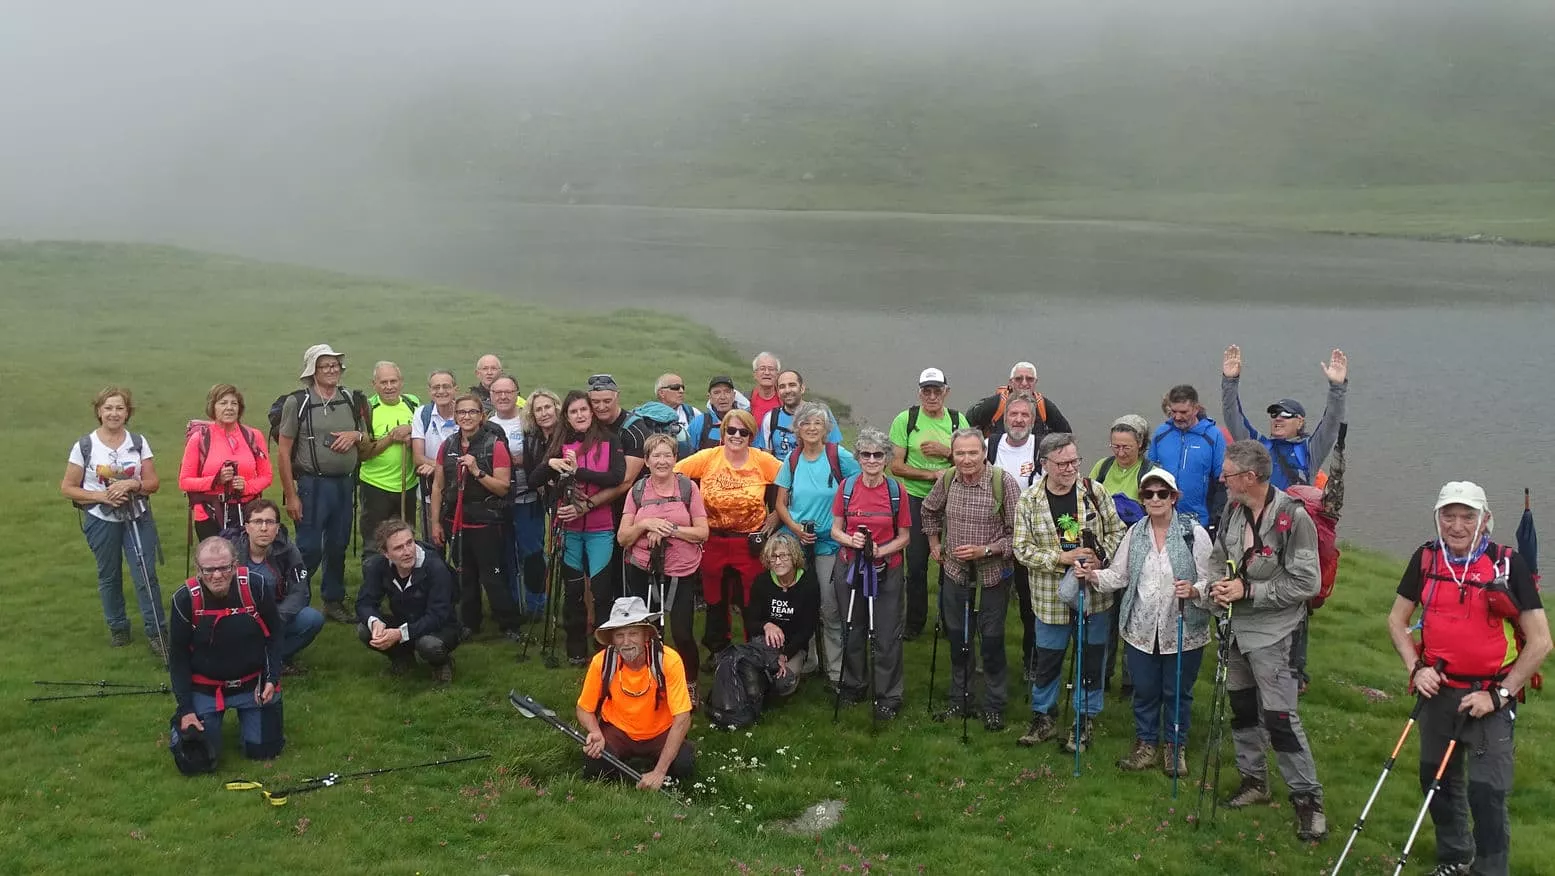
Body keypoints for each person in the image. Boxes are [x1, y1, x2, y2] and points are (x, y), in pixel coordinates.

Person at [1385, 482, 1551, 876]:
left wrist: (1499, 696)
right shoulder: (1425, 558)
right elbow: (1396, 620)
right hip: (1438, 689)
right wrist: (1415, 668)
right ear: (1438, 517)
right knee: (1436, 781)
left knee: (1487, 793)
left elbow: (1541, 642)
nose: (1457, 526)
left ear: (1485, 520)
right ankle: (1454, 859)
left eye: (1467, 516)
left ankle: (1490, 871)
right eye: (1449, 515)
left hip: (1490, 696)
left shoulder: (1508, 565)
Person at [1208, 440, 1327, 842]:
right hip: (1235, 631)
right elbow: (1219, 555)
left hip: (1276, 635)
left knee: (1280, 718)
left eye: (1227, 475)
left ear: (1250, 477)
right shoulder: (1232, 509)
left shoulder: (1294, 520)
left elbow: (1308, 583)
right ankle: (1253, 782)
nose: (1221, 480)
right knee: (1242, 709)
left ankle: (1309, 803)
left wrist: (1249, 592)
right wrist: (1215, 587)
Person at [1080, 469, 1212, 778]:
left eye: (1162, 493)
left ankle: (1174, 747)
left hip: (1182, 628)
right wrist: (1092, 576)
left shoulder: (1195, 534)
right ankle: (1146, 744)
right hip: (1139, 629)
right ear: (1142, 499)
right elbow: (1120, 575)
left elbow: (1212, 579)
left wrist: (1194, 590)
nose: (1155, 499)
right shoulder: (1135, 533)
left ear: (1174, 497)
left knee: (1177, 691)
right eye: (1148, 494)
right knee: (1145, 690)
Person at [1013, 433, 1127, 752]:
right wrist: (1058, 558)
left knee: (1091, 659)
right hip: (1050, 599)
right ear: (1044, 464)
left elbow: (1118, 530)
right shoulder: (1030, 500)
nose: (1069, 469)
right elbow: (1021, 549)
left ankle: (1084, 720)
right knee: (1048, 659)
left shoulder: (1094, 491)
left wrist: (1100, 557)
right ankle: (1043, 717)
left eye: (1074, 462)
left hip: (1093, 595)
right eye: (1062, 463)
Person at [923, 429, 1022, 731]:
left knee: (991, 641)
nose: (966, 459)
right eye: (960, 453)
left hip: (991, 576)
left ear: (984, 453)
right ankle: (960, 700)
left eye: (973, 453)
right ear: (952, 454)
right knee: (958, 639)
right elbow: (928, 511)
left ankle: (993, 705)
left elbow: (1018, 535)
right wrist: (935, 545)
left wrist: (987, 550)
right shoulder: (948, 479)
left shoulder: (1002, 482)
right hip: (954, 573)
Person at [61, 386, 168, 659]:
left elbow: (153, 482)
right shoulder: (85, 446)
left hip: (137, 516)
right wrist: (102, 496)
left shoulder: (137, 441)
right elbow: (68, 487)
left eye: (119, 408)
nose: (114, 413)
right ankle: (118, 627)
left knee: (145, 573)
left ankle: (157, 632)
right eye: (108, 408)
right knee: (109, 575)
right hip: (100, 519)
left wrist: (134, 483)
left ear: (127, 412)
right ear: (99, 411)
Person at [675, 409, 781, 668]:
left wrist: (776, 516)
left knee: (750, 596)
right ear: (723, 434)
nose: (736, 436)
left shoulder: (763, 461)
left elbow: (790, 485)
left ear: (751, 435)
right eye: (731, 431)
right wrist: (688, 513)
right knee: (715, 597)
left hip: (749, 541)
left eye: (743, 432)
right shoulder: (708, 457)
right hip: (714, 538)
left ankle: (752, 647)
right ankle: (717, 648)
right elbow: (675, 474)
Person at [167, 537, 283, 772]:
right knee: (199, 763)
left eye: (224, 568)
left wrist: (271, 679)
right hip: (207, 688)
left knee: (264, 751)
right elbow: (178, 656)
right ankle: (183, 720)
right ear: (198, 569)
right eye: (209, 569)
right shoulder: (184, 599)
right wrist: (186, 708)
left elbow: (275, 634)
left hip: (253, 686)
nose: (217, 575)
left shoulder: (256, 586)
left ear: (235, 565)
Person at [532, 389, 626, 664]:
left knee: (601, 593)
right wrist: (551, 463)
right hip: (569, 528)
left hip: (600, 528)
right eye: (573, 412)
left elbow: (616, 477)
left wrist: (577, 472)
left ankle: (604, 651)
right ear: (567, 416)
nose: (580, 415)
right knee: (572, 591)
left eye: (584, 409)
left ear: (591, 411)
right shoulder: (561, 441)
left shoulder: (609, 439)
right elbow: (535, 477)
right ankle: (575, 650)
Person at [276, 344, 366, 624]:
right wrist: (291, 496)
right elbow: (283, 451)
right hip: (311, 485)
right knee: (309, 547)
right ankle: (291, 597)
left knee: (338, 544)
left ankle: (333, 600)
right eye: (325, 365)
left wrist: (356, 436)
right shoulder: (298, 402)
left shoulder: (350, 398)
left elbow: (366, 436)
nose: (332, 370)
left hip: (345, 484)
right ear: (312, 371)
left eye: (335, 365)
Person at [618, 433, 710, 701]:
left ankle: (689, 682)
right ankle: (649, 681)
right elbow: (623, 538)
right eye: (655, 455)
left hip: (681, 570)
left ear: (675, 458)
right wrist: (646, 525)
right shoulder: (637, 491)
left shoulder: (687, 488)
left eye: (667, 455)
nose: (661, 461)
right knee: (648, 630)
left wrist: (669, 529)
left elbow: (703, 532)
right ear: (646, 461)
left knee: (681, 632)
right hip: (642, 569)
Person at [830, 428, 913, 721]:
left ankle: (888, 694)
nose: (872, 459)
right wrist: (850, 540)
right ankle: (854, 685)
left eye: (878, 454)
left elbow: (904, 537)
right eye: (866, 454)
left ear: (887, 458)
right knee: (852, 628)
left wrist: (882, 551)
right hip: (851, 567)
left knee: (886, 633)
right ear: (859, 457)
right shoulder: (847, 487)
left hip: (885, 570)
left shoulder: (896, 491)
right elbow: (835, 529)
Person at [776, 402, 861, 683]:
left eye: (817, 423)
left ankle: (836, 672)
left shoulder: (840, 456)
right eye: (806, 423)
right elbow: (780, 503)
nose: (812, 428)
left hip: (830, 543)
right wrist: (796, 529)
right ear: (797, 428)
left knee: (829, 607)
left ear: (827, 428)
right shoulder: (791, 460)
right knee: (799, 603)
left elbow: (858, 489)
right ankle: (809, 660)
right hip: (796, 542)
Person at [577, 596, 696, 790]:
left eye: (633, 633)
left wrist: (659, 772)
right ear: (612, 639)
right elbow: (583, 709)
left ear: (646, 635)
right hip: (617, 731)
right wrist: (595, 732)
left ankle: (658, 764)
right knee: (594, 764)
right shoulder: (602, 662)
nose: (626, 642)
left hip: (660, 732)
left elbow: (682, 718)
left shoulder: (669, 660)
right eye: (619, 635)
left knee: (684, 765)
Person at [428, 394, 520, 642]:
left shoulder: (495, 445)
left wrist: (477, 471)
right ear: (455, 416)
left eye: (472, 412)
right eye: (461, 412)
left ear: (482, 416)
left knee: (493, 575)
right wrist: (435, 523)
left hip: (486, 521)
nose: (466, 417)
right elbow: (437, 486)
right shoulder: (447, 446)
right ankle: (469, 623)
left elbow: (503, 488)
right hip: (455, 521)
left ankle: (509, 624)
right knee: (464, 574)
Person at [889, 367, 966, 640]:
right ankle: (914, 622)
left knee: (953, 560)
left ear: (946, 392)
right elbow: (896, 466)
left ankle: (950, 620)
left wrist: (946, 453)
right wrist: (929, 475)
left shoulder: (958, 421)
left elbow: (970, 459)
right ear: (919, 392)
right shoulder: (906, 419)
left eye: (937, 390)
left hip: (952, 496)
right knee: (917, 561)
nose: (932, 396)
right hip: (916, 497)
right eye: (926, 391)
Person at [1221, 346, 1348, 490]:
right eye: (1274, 414)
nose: (1278, 419)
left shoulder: (1309, 450)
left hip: (1293, 512)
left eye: (1286, 414)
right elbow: (1233, 417)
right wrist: (1230, 381)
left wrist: (1337, 387)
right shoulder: (1258, 447)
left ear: (1300, 422)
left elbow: (1331, 423)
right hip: (1261, 512)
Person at [1091, 413, 1152, 694]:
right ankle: (1102, 675)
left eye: (1126, 447)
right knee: (1105, 615)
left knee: (1132, 615)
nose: (1120, 452)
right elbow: (1086, 500)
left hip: (1138, 553)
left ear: (1141, 444)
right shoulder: (1102, 468)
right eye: (1115, 446)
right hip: (1105, 553)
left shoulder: (1149, 473)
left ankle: (1131, 681)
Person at [357, 519, 460, 685]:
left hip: (441, 627)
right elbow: (364, 603)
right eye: (398, 548)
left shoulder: (435, 567)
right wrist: (374, 622)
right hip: (405, 621)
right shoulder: (378, 566)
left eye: (409, 543)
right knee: (364, 629)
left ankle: (442, 664)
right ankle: (403, 658)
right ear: (385, 553)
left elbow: (438, 615)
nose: (407, 551)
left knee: (428, 644)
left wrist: (400, 633)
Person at [987, 393, 1045, 680]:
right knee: (991, 604)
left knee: (1029, 605)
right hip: (994, 537)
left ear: (1033, 421)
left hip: (1030, 538)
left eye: (1025, 415)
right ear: (1004, 418)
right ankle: (989, 662)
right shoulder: (990, 446)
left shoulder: (1041, 450)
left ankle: (1031, 661)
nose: (1019, 420)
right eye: (1014, 414)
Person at [228, 499, 323, 673]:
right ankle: (245, 659)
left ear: (277, 528)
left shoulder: (288, 549)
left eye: (270, 522)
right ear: (247, 527)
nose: (264, 528)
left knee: (312, 618)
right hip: (239, 619)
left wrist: (275, 618)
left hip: (276, 615)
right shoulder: (229, 552)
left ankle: (271, 660)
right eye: (257, 522)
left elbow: (300, 592)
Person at [585, 373, 650, 608]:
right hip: (598, 510)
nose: (601, 407)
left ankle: (629, 617)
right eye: (596, 402)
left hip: (628, 509)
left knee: (624, 570)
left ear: (617, 397)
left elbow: (625, 481)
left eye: (607, 401)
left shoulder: (634, 429)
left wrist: (588, 504)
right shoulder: (588, 425)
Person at [179, 383, 271, 540]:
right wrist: (216, 480)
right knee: (216, 562)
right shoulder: (200, 439)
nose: (229, 408)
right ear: (213, 407)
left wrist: (247, 487)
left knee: (244, 561)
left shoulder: (253, 436)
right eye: (223, 403)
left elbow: (266, 476)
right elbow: (184, 482)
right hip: (209, 515)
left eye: (234, 403)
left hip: (247, 512)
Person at [488, 375, 542, 614]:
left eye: (508, 392)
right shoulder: (486, 425)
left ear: (517, 393)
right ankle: (511, 604)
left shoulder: (529, 423)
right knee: (504, 555)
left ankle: (536, 605)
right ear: (490, 396)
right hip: (499, 503)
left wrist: (520, 462)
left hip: (527, 500)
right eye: (497, 392)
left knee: (532, 555)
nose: (502, 396)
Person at [746, 533, 821, 698]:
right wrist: (766, 625)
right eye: (773, 557)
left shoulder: (808, 583)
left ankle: (793, 673)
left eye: (783, 556)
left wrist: (785, 655)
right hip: (765, 643)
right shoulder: (761, 581)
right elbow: (750, 621)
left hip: (793, 646)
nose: (778, 562)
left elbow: (807, 628)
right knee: (751, 680)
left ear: (794, 556)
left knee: (782, 684)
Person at [357, 362, 420, 558]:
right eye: (383, 382)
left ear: (401, 382)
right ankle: (374, 586)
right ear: (374, 384)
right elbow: (363, 453)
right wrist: (391, 438)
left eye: (393, 381)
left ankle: (402, 585)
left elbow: (422, 433)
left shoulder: (413, 404)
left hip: (407, 486)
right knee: (375, 543)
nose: (389, 386)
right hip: (376, 486)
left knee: (406, 542)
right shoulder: (367, 409)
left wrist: (410, 430)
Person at [1148, 384, 1227, 533]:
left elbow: (1222, 482)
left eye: (1184, 412)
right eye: (1174, 412)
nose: (1178, 417)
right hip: (1161, 518)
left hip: (1199, 521)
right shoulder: (1161, 433)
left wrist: (1216, 519)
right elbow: (1149, 475)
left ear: (1196, 409)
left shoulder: (1213, 436)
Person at [518, 388, 564, 619]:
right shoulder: (533, 439)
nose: (544, 413)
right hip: (547, 499)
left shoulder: (567, 434)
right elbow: (531, 474)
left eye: (548, 407)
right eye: (538, 410)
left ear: (557, 408)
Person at [412, 369, 460, 540]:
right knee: (433, 547)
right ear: (429, 391)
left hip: (462, 495)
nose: (441, 391)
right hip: (429, 496)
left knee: (461, 550)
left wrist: (434, 466)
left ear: (456, 389)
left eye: (446, 386)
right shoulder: (422, 414)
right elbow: (418, 458)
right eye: (436, 387)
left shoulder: (465, 414)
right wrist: (451, 468)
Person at [966, 361, 1072, 438]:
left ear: (1036, 382)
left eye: (1030, 379)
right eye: (1019, 379)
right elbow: (968, 423)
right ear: (1011, 382)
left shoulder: (1044, 406)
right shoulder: (996, 403)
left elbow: (1066, 435)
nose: (1024, 383)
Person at [754, 369, 843, 460]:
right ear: (778, 392)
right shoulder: (771, 418)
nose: (787, 390)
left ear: (802, 388)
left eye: (792, 385)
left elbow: (834, 452)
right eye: (782, 387)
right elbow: (766, 458)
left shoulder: (821, 413)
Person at [685, 375, 744, 453]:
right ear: (710, 397)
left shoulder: (746, 422)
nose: (722, 397)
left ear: (733, 396)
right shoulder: (699, 423)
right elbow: (687, 455)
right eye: (717, 393)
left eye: (727, 392)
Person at [747, 352, 783, 425]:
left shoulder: (786, 401)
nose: (767, 373)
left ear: (777, 375)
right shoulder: (745, 401)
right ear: (755, 374)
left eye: (771, 369)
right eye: (762, 368)